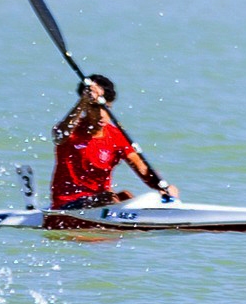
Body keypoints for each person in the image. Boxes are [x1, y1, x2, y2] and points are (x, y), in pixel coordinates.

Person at [50, 74, 178, 209]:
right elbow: (58, 136)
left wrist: (163, 185)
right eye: (95, 107)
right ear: (86, 106)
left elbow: (142, 168)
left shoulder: (117, 136)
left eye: (106, 108)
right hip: (67, 205)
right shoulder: (70, 130)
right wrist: (82, 100)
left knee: (126, 196)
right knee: (109, 198)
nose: (101, 114)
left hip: (101, 203)